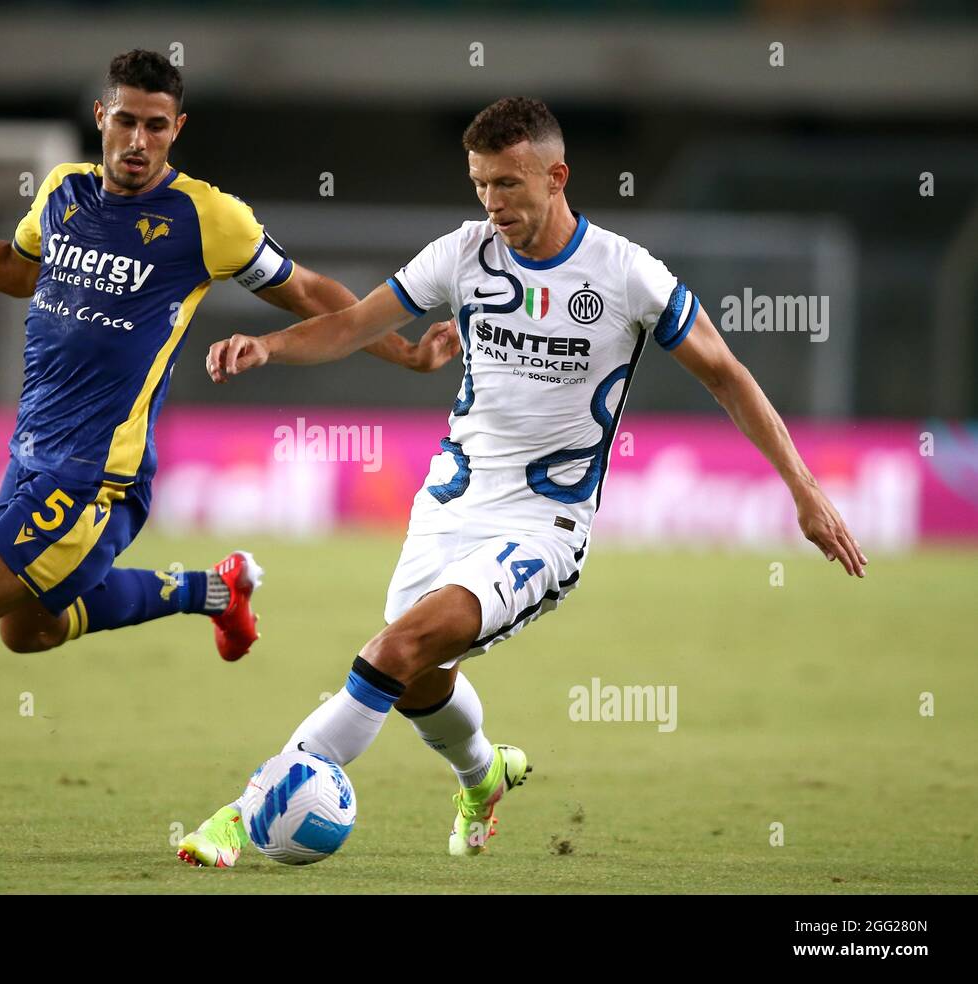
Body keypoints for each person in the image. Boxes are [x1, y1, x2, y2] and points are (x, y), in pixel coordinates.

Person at [0, 49, 458, 837]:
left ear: (176, 130)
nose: (137, 140)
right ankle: (209, 590)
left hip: (94, 478)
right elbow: (15, 271)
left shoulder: (209, 218)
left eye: (155, 126)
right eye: (125, 121)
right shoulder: (62, 192)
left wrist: (408, 352)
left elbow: (313, 292)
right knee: (26, 630)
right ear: (102, 118)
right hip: (29, 457)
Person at [177, 96, 866, 866]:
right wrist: (267, 348)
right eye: (479, 184)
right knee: (413, 679)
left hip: (545, 525)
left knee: (394, 650)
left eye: (507, 184)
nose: (492, 203)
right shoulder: (462, 254)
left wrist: (804, 490)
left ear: (556, 175)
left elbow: (728, 374)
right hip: (450, 500)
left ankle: (245, 812)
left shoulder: (626, 273)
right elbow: (353, 323)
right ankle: (484, 775)